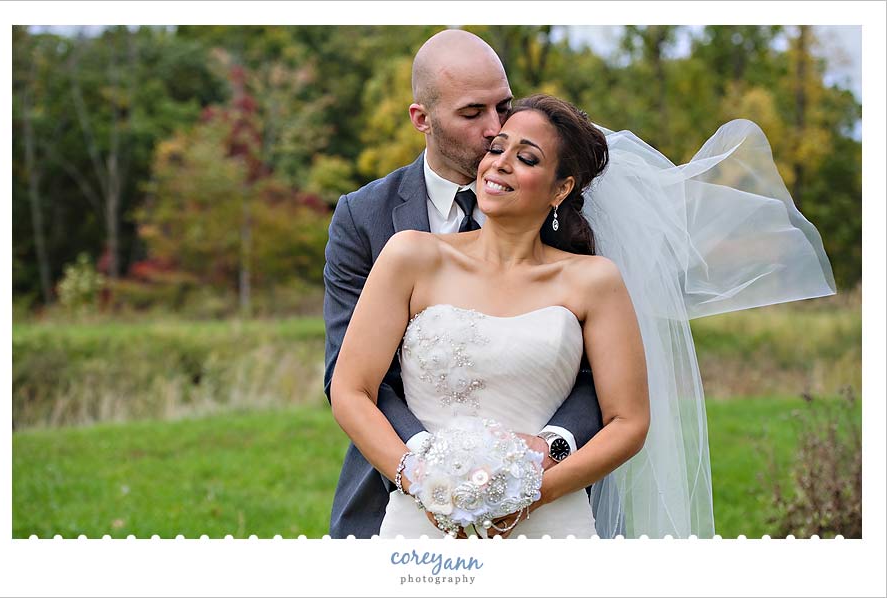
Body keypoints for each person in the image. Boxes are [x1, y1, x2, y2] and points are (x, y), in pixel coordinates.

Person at [330, 89, 837, 538]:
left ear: (560, 190)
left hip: (548, 525)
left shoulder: (594, 281)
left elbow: (628, 421)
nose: (499, 163)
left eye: (526, 158)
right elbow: (351, 389)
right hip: (421, 520)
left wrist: (532, 493)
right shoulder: (411, 256)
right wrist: (420, 477)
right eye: (496, 148)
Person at [323, 30, 604, 539]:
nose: (496, 127)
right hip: (400, 491)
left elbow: (596, 371)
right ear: (421, 119)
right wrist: (440, 473)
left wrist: (550, 449)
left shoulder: (562, 211)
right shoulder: (364, 219)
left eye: (503, 105)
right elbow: (351, 377)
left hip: (549, 493)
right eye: (473, 114)